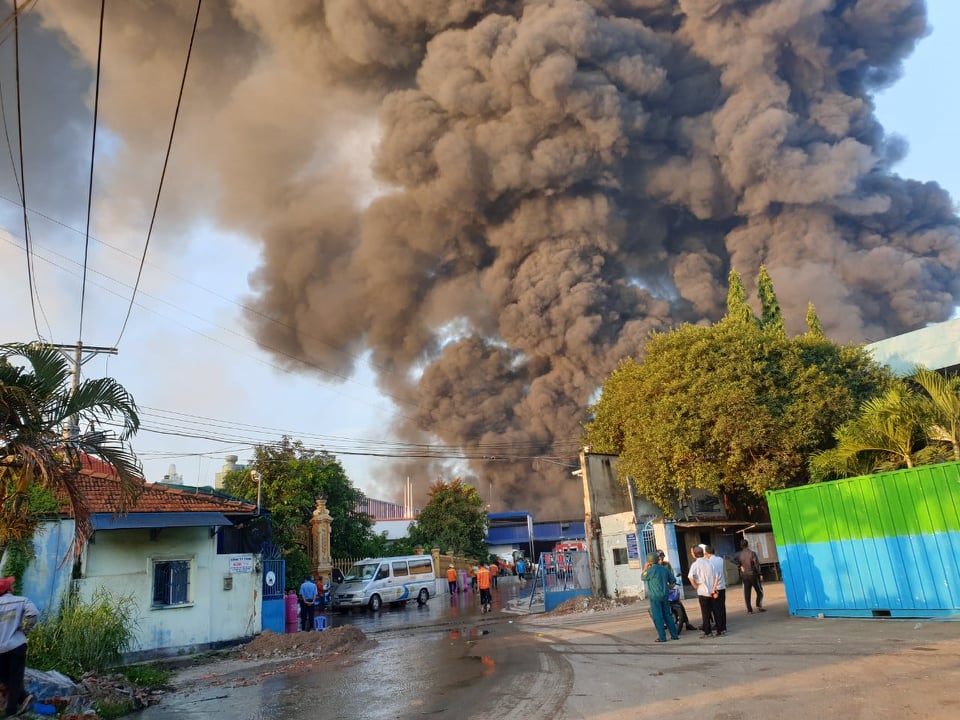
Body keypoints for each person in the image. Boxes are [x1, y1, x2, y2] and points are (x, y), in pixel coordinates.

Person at [0, 576, 38, 717]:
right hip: (16, 645)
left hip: (0, 648)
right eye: (11, 585)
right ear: (9, 589)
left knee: (4, 678)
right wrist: (24, 631)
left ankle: (17, 702)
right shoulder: (21, 600)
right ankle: (13, 709)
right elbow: (33, 614)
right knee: (15, 678)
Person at [641, 552, 679, 642]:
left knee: (658, 617)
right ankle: (674, 635)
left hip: (655, 597)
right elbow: (673, 580)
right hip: (665, 595)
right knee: (668, 615)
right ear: (657, 559)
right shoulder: (664, 569)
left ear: (649, 561)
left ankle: (662, 637)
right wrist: (668, 586)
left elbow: (643, 577)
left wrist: (645, 567)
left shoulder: (650, 571)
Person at [658, 550, 695, 632]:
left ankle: (687, 622)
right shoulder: (653, 567)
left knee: (679, 603)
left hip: (668, 587)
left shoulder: (667, 564)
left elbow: (671, 575)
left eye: (662, 558)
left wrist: (673, 582)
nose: (661, 560)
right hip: (658, 590)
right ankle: (661, 623)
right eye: (659, 559)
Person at [688, 545, 720, 638]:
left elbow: (690, 577)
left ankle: (708, 632)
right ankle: (719, 630)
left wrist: (695, 586)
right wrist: (714, 588)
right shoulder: (710, 563)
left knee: (705, 613)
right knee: (715, 611)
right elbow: (717, 576)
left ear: (694, 554)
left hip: (702, 592)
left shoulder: (695, 564)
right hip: (712, 591)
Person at [735, 539, 765, 613]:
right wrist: (760, 573)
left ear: (741, 546)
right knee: (759, 591)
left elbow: (732, 559)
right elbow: (756, 564)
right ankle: (758, 605)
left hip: (744, 575)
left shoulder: (739, 554)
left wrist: (739, 566)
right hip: (753, 575)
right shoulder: (752, 553)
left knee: (747, 592)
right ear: (747, 544)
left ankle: (749, 610)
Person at [704, 545, 727, 635]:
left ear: (706, 553)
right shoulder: (720, 559)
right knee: (722, 607)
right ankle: (723, 626)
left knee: (716, 609)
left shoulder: (708, 562)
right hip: (722, 587)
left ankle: (719, 627)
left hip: (715, 587)